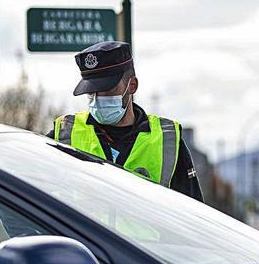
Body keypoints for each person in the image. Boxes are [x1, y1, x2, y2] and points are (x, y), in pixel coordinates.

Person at [48, 41, 203, 201]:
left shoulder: (167, 141)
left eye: (107, 89)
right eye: (91, 92)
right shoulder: (65, 133)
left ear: (132, 86)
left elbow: (194, 213)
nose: (97, 99)